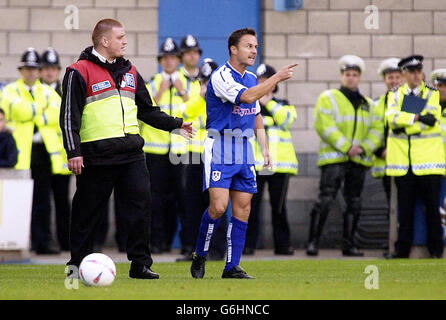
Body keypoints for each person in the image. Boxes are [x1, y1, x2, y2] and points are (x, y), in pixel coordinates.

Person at [60, 19, 193, 279]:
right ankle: (76, 265)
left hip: (132, 154)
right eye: (120, 37)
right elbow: (68, 116)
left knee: (140, 208)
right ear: (104, 41)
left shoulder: (130, 70)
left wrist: (175, 124)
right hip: (95, 156)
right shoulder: (78, 71)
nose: (125, 41)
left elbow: (147, 110)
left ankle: (140, 264)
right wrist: (73, 151)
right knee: (86, 214)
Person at [190, 27, 297, 279]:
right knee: (218, 207)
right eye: (249, 46)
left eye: (256, 47)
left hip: (244, 148)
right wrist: (276, 79)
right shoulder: (221, 76)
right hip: (221, 145)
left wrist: (265, 148)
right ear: (233, 49)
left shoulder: (250, 77)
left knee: (244, 207)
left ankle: (231, 267)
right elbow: (247, 98)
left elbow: (256, 115)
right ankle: (200, 254)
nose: (253, 51)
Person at [306, 55, 382, 257]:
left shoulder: (368, 104)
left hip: (358, 160)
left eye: (355, 75)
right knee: (326, 200)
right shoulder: (328, 97)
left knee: (354, 203)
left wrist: (364, 147)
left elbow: (377, 129)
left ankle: (349, 245)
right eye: (347, 74)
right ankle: (313, 242)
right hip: (334, 159)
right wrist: (346, 146)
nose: (351, 78)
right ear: (341, 75)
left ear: (359, 77)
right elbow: (324, 124)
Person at [2, 48, 66, 255]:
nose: (31, 73)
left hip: (42, 152)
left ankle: (42, 242)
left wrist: (29, 112)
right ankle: (17, 241)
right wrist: (39, 109)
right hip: (19, 153)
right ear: (21, 70)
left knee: (42, 200)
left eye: (34, 69)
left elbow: (57, 116)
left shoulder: (49, 92)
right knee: (16, 200)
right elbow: (14, 109)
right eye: (27, 69)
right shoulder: (10, 90)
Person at [385, 56, 445, 259]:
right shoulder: (394, 94)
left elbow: (432, 119)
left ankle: (436, 250)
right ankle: (402, 250)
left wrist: (406, 119)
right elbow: (392, 120)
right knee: (405, 210)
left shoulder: (432, 93)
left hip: (428, 161)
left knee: (432, 209)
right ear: (403, 74)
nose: (416, 76)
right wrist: (417, 117)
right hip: (403, 162)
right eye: (411, 72)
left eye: (418, 72)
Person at [176, 58, 228, 262]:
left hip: (216, 156)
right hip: (196, 157)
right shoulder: (197, 99)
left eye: (208, 82)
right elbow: (183, 112)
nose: (204, 86)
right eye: (202, 82)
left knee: (216, 204)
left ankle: (216, 250)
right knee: (192, 205)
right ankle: (193, 249)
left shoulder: (225, 99)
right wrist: (202, 96)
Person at [141, 37, 189, 253]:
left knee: (182, 197)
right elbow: (143, 113)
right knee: (156, 198)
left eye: (173, 58)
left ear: (178, 60)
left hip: (180, 149)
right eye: (165, 58)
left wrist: (182, 91)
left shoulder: (189, 83)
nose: (169, 62)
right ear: (160, 60)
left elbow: (196, 111)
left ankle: (184, 242)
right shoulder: (151, 83)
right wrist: (159, 92)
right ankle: (158, 242)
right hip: (155, 149)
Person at [244, 63, 298, 256]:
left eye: (267, 80)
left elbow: (286, 120)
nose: (264, 83)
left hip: (280, 165)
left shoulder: (283, 103)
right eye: (260, 81)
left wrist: (269, 103)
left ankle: (283, 246)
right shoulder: (249, 105)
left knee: (279, 207)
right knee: (251, 206)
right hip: (256, 164)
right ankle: (248, 245)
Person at [40, 47, 71, 251]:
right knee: (42, 202)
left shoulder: (65, 91)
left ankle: (65, 241)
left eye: (53, 68)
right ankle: (43, 241)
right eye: (46, 68)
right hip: (41, 154)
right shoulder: (36, 93)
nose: (50, 72)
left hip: (62, 156)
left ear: (58, 70)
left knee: (63, 202)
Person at [371, 58, 403, 202]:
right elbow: (370, 130)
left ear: (402, 78)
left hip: (405, 159)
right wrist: (379, 151)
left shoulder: (409, 101)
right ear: (384, 79)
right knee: (391, 201)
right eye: (390, 77)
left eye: (397, 77)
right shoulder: (375, 104)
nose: (394, 81)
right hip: (385, 159)